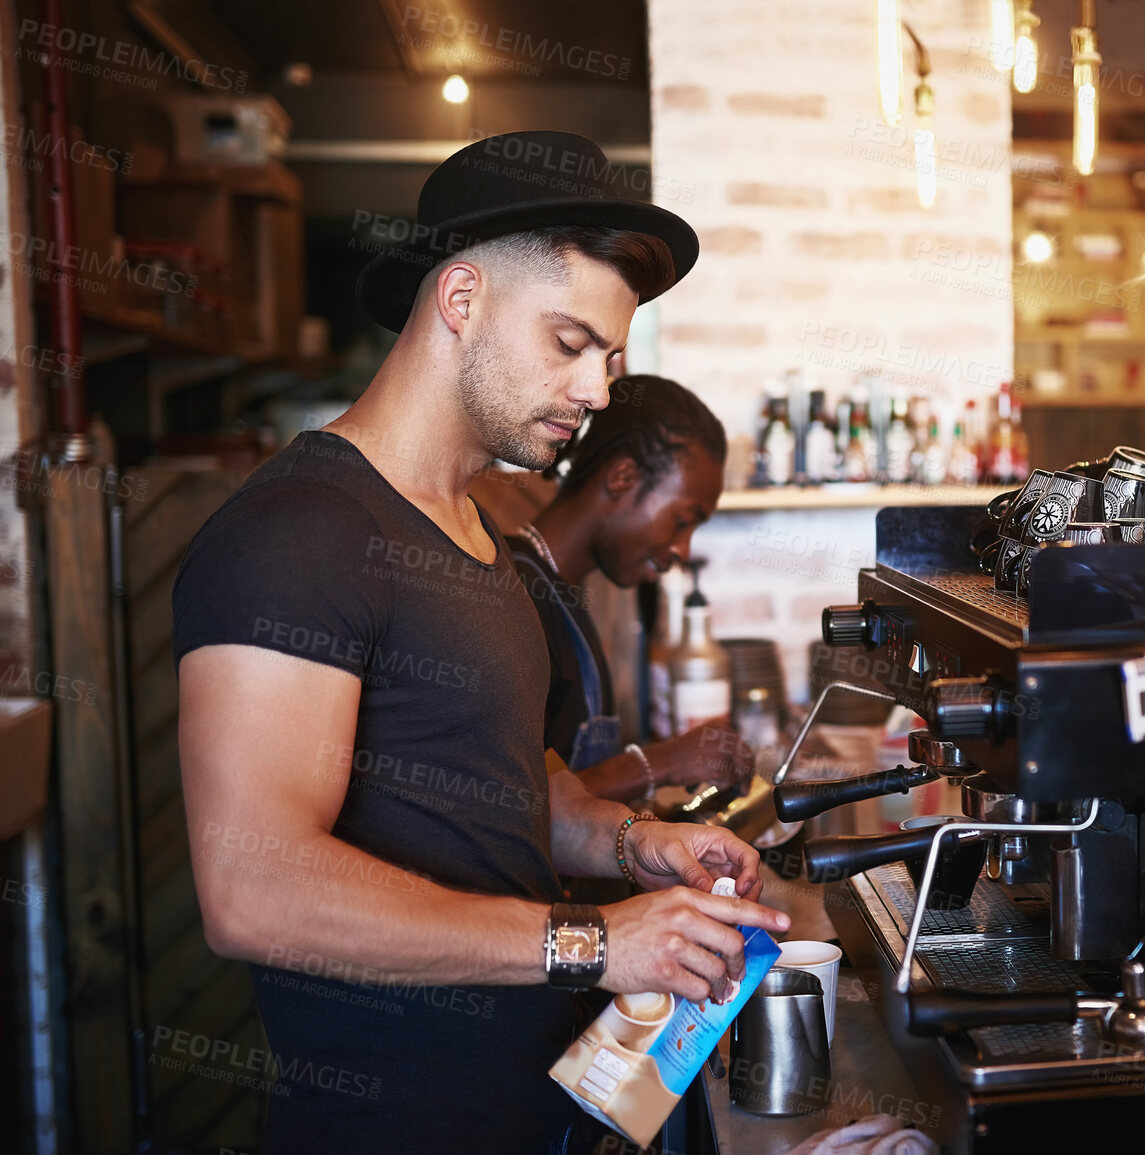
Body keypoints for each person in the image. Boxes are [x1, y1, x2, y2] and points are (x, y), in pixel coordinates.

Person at [171, 132, 789, 1155]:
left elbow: (501, 782)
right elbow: (254, 887)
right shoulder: (301, 533)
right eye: (569, 343)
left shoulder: (474, 537)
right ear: (460, 300)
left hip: (532, 1113)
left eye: (613, 359)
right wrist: (595, 943)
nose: (598, 391)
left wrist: (637, 846)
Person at [508, 373, 753, 803]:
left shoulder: (561, 591)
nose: (681, 549)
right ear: (622, 478)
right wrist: (664, 762)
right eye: (682, 520)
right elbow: (514, 807)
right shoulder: (511, 597)